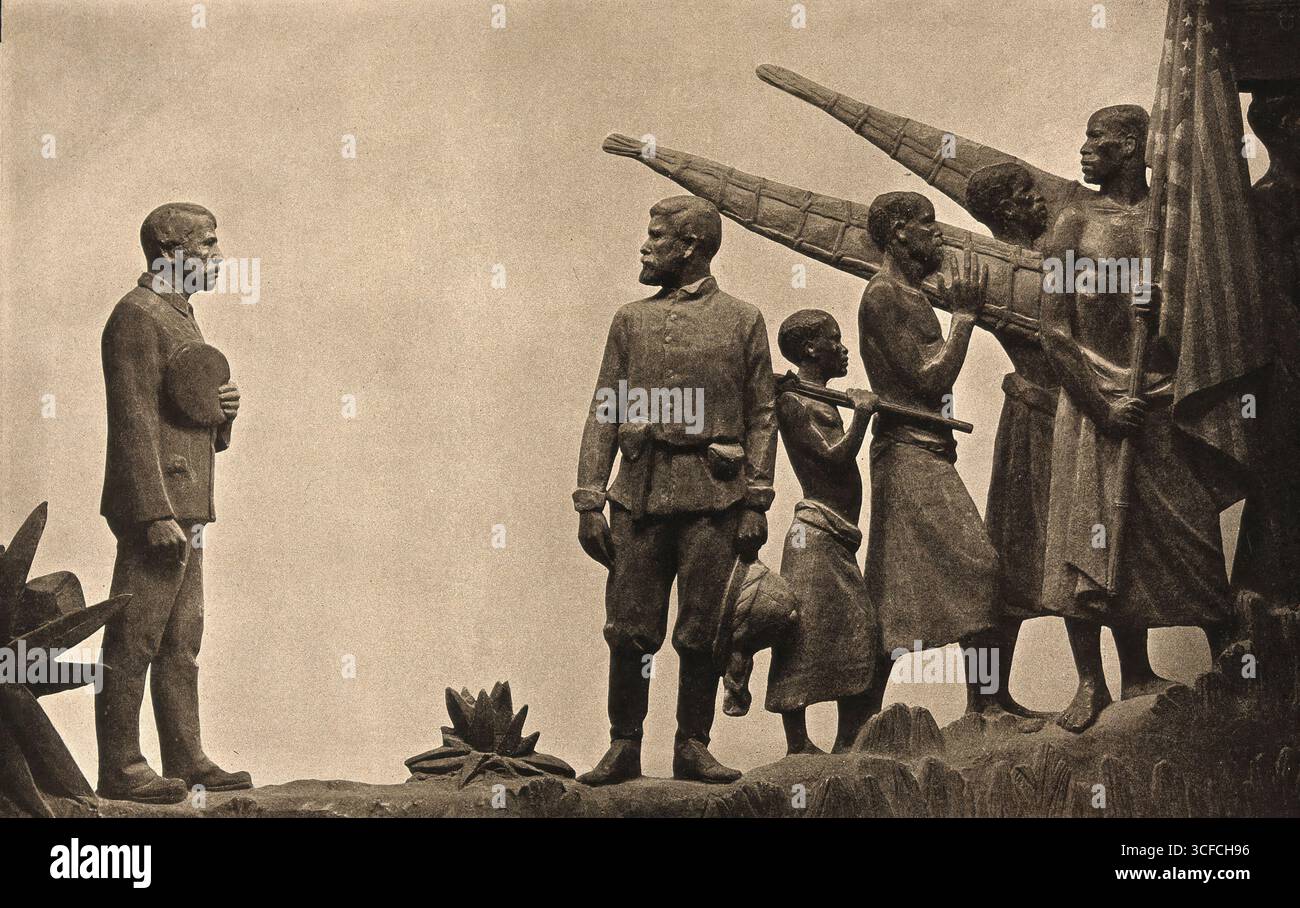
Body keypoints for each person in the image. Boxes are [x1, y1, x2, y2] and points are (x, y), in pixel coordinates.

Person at [574, 196, 777, 785]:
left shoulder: (743, 319)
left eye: (656, 236)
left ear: (689, 247)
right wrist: (590, 496)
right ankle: (624, 744)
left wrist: (757, 500)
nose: (645, 246)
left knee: (703, 627)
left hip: (716, 498)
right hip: (639, 492)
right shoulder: (630, 320)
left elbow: (763, 415)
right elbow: (604, 409)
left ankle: (692, 743)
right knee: (629, 627)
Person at [97, 203, 251, 803]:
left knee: (183, 636)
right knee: (136, 635)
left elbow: (179, 408)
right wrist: (153, 512)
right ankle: (121, 765)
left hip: (188, 503)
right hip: (158, 508)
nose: (217, 259)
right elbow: (132, 420)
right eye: (207, 246)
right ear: (169, 253)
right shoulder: (137, 317)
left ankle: (184, 756)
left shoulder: (179, 315)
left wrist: (222, 417)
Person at [857, 190, 1004, 714]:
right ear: (899, 232)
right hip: (908, 454)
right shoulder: (883, 295)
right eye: (928, 224)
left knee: (899, 589)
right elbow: (929, 378)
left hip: (927, 451)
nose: (937, 234)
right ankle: (982, 704)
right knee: (975, 570)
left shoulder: (910, 295)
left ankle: (986, 705)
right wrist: (965, 319)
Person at [767, 309, 884, 754]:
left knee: (854, 630)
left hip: (837, 536)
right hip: (813, 536)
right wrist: (863, 416)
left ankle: (847, 740)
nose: (844, 348)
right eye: (835, 340)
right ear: (812, 349)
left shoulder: (818, 397)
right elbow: (833, 456)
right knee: (801, 635)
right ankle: (798, 744)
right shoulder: (794, 402)